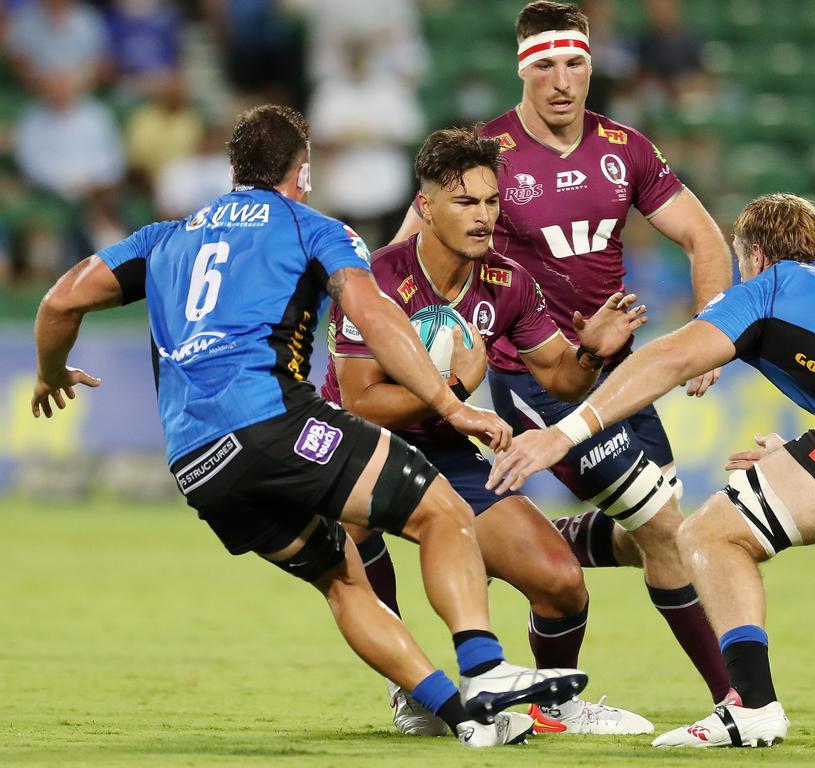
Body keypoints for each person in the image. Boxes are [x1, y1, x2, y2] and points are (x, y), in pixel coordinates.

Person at [29, 104, 590, 748]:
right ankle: (484, 670)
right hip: (272, 420)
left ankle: (459, 717)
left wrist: (50, 372)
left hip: (196, 462)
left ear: (235, 168)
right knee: (443, 510)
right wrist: (451, 402)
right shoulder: (310, 228)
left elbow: (60, 300)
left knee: (342, 579)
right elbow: (376, 318)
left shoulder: (166, 237)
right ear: (302, 171)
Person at [487, 193, 815, 748]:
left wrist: (562, 433)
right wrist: (808, 450)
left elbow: (668, 359)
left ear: (757, 255)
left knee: (710, 534)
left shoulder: (769, 288)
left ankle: (751, 707)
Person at [389, 0, 737, 716]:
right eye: (545, 64)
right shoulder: (485, 156)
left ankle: (535, 547)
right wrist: (421, 344)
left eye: (574, 62)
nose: (561, 80)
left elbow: (705, 239)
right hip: (535, 377)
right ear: (522, 67)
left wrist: (710, 332)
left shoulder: (625, 147)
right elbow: (406, 258)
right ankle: (734, 698)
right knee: (671, 532)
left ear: (590, 63)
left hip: (622, 377)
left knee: (658, 540)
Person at [325, 126, 653, 736]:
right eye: (465, 202)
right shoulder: (373, 281)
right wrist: (451, 391)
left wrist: (591, 353)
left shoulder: (507, 281)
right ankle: (413, 691)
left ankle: (555, 708)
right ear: (425, 207)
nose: (483, 217)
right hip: (353, 444)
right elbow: (361, 403)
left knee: (560, 580)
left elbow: (560, 378)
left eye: (491, 201)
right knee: (348, 528)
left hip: (444, 445)